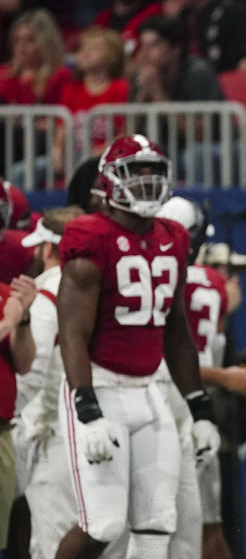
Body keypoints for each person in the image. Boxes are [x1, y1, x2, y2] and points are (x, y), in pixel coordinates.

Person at [54, 134, 219, 559]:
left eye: (153, 172)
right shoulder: (91, 235)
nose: (146, 181)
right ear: (109, 181)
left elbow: (177, 331)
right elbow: (73, 332)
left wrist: (199, 406)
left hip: (150, 390)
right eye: (134, 172)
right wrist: (85, 408)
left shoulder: (173, 237)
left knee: (157, 526)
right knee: (103, 525)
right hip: (101, 386)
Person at [14, 206, 128, 559]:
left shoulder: (48, 296)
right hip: (111, 427)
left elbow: (34, 376)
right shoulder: (111, 293)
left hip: (59, 438)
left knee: (54, 546)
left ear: (48, 249)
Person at [157, 197, 246, 559]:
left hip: (159, 402)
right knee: (204, 522)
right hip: (191, 400)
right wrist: (224, 376)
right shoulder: (210, 282)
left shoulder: (153, 270)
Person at [0, 248, 35, 553]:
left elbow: (24, 363)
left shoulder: (3, 295)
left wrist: (24, 319)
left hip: (1, 431)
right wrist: (8, 323)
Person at [58, 27, 130, 168]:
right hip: (74, 156)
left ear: (113, 56)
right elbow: (62, 129)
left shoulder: (121, 88)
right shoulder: (70, 90)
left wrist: (101, 151)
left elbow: (123, 132)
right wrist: (57, 150)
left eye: (94, 48)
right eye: (82, 48)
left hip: (108, 157)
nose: (86, 53)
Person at [129, 14, 224, 103]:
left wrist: (158, 95)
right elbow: (132, 120)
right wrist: (142, 95)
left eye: (154, 45)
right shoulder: (140, 75)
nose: (145, 53)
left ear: (176, 49)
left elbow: (203, 120)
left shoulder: (199, 73)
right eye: (143, 45)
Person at [0, 9, 70, 105]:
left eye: (30, 40)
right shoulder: (3, 75)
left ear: (46, 43)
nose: (21, 47)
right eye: (17, 40)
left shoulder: (59, 76)